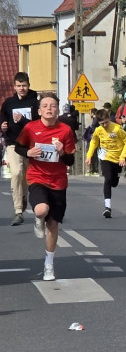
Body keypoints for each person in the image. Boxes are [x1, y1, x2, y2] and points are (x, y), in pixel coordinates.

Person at [13, 93, 75, 281]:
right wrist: (29, 152)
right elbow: (18, 147)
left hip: (58, 181)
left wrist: (62, 152)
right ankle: (37, 219)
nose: (49, 108)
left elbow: (70, 159)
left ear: (57, 110)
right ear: (39, 111)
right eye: (45, 105)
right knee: (41, 210)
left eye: (53, 105)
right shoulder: (30, 128)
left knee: (53, 224)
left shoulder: (65, 131)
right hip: (37, 177)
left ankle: (49, 264)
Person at [1, 72, 39, 225]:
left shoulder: (35, 104)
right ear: (14, 86)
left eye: (24, 85)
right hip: (13, 143)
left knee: (27, 176)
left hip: (30, 145)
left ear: (28, 86)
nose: (21, 88)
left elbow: (37, 125)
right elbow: (3, 118)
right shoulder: (9, 103)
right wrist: (3, 125)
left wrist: (23, 120)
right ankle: (18, 211)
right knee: (16, 173)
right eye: (18, 86)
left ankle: (23, 196)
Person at [86, 107, 126, 217]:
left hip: (118, 158)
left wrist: (122, 157)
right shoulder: (98, 130)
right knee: (107, 179)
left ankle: (117, 175)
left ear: (108, 119)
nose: (104, 125)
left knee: (114, 183)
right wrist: (89, 156)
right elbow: (94, 143)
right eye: (102, 124)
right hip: (105, 157)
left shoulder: (117, 129)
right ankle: (107, 207)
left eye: (106, 122)